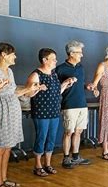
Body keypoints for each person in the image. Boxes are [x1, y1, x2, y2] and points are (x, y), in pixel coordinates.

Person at [0, 43, 40, 187]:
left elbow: (12, 91)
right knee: (0, 148)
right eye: (13, 54)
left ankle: (4, 179)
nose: (15, 57)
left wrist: (29, 90)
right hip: (1, 111)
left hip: (12, 111)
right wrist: (27, 89)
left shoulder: (9, 71)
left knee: (8, 147)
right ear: (3, 54)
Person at [25, 48, 76, 177]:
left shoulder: (54, 74)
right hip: (41, 113)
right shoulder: (36, 75)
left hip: (54, 112)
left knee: (51, 139)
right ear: (44, 60)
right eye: (53, 59)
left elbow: (56, 92)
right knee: (41, 138)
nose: (55, 61)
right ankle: (38, 165)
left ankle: (47, 164)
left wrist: (65, 83)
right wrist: (36, 88)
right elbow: (28, 93)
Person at [55, 40, 93, 168]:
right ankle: (66, 159)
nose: (82, 55)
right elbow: (56, 89)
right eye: (79, 53)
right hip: (69, 105)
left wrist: (86, 86)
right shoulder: (60, 69)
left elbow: (79, 85)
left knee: (78, 131)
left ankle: (75, 157)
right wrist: (66, 82)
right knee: (68, 132)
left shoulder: (80, 67)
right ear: (71, 53)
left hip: (82, 104)